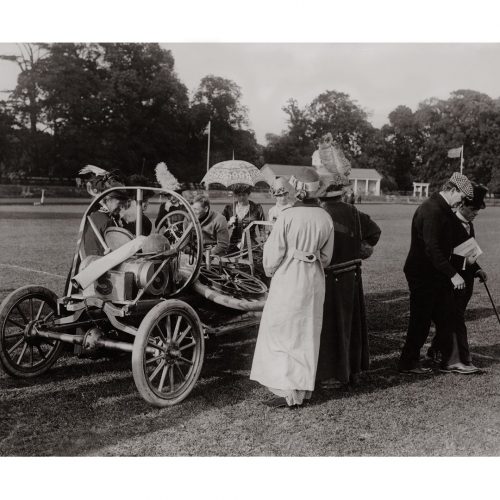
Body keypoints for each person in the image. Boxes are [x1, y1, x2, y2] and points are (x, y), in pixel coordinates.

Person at [250, 170, 334, 408]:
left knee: (283, 332)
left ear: (297, 189)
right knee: (306, 333)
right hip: (314, 278)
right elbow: (327, 258)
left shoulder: (288, 215)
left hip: (289, 276)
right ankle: (300, 390)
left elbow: (272, 255)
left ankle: (287, 389)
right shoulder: (324, 217)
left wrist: (270, 270)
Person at [398, 172, 474, 375]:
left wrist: (476, 265)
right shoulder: (431, 210)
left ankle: (449, 360)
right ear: (451, 190)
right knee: (421, 320)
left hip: (436, 274)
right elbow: (432, 249)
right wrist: (453, 274)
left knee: (447, 316)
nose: (462, 202)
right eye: (461, 196)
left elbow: (461, 240)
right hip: (422, 274)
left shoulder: (445, 209)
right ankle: (408, 363)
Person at [315, 181, 381, 389]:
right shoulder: (354, 212)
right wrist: (361, 249)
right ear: (341, 195)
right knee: (350, 323)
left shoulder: (319, 214)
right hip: (351, 275)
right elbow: (375, 232)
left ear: (321, 197)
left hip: (326, 276)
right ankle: (353, 371)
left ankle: (329, 375)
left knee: (328, 326)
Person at [427, 183, 489, 373]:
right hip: (452, 281)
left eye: (477, 212)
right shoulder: (449, 223)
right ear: (462, 206)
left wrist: (477, 269)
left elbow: (468, 252)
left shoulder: (469, 225)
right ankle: (460, 359)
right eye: (472, 210)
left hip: (466, 283)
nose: (474, 215)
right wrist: (457, 271)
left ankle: (435, 350)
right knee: (455, 319)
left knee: (452, 318)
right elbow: (444, 254)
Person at [222, 184, 265, 253]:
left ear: (248, 194)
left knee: (257, 260)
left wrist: (263, 242)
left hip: (251, 242)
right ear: (236, 195)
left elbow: (262, 227)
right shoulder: (229, 208)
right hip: (234, 243)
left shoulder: (257, 208)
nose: (241, 197)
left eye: (244, 195)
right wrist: (229, 223)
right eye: (239, 195)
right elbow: (221, 228)